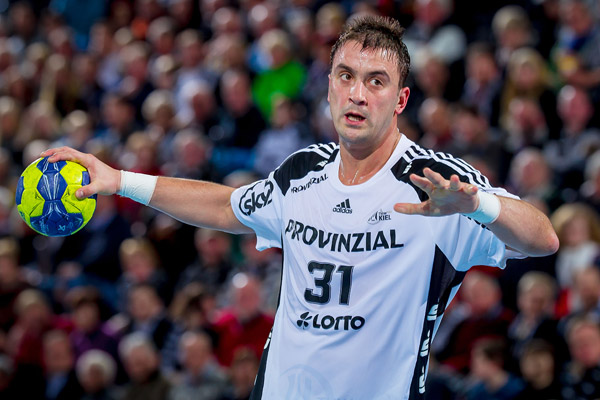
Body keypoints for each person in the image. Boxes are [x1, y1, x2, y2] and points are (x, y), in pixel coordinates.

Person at [43, 15, 559, 400]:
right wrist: (121, 181)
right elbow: (225, 206)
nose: (357, 94)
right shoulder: (303, 171)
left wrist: (480, 204)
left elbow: (543, 239)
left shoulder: (435, 182)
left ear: (401, 100)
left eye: (376, 81)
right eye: (345, 76)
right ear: (329, 86)